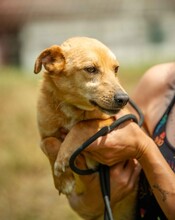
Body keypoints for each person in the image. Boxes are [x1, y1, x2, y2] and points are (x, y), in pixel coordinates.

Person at [43, 62, 175, 219]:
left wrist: (143, 148)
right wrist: (94, 199)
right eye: (91, 70)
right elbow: (83, 206)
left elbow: (136, 139)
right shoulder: (159, 81)